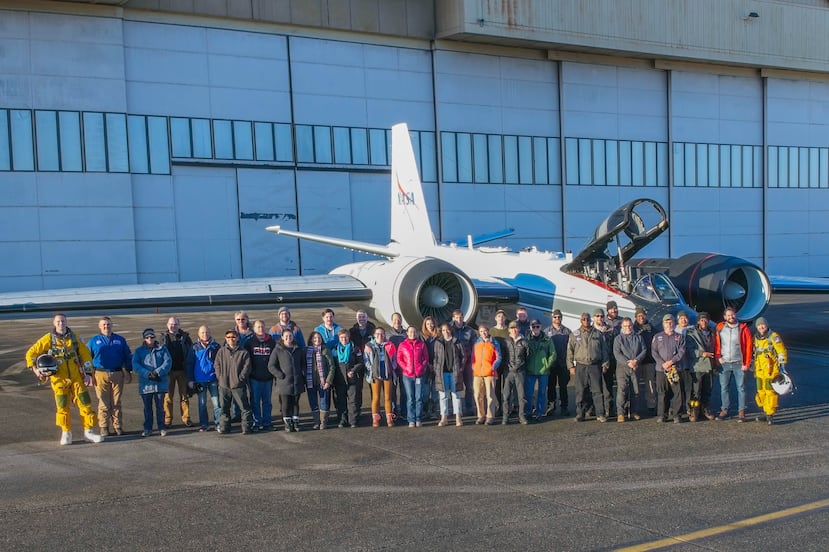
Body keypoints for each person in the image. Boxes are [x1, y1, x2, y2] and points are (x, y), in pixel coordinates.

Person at [26, 313, 103, 445]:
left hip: (76, 378)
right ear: (54, 323)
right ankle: (66, 432)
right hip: (59, 380)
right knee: (62, 407)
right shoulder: (48, 339)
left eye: (63, 321)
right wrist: (35, 369)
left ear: (66, 322)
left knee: (85, 404)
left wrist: (89, 373)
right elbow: (31, 353)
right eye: (58, 322)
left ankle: (88, 431)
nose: (61, 324)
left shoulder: (74, 338)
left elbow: (85, 355)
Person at [87, 316, 132, 437]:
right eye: (104, 325)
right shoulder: (93, 341)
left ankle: (118, 427)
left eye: (108, 324)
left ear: (112, 325)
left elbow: (127, 356)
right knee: (103, 402)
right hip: (100, 374)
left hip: (117, 373)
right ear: (99, 326)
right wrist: (88, 375)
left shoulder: (120, 340)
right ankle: (104, 427)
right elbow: (86, 358)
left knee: (116, 402)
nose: (106, 326)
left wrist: (128, 371)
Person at [567, 312, 609, 422]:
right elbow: (570, 352)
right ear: (581, 320)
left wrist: (605, 364)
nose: (586, 320)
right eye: (583, 319)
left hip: (595, 365)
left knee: (597, 390)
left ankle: (600, 414)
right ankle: (580, 414)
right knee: (580, 391)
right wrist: (571, 366)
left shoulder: (598, 334)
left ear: (590, 320)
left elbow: (604, 350)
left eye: (587, 319)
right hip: (581, 365)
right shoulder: (574, 334)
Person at [714, 307, 753, 422]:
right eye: (728, 315)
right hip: (724, 362)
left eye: (732, 315)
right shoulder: (720, 328)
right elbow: (716, 343)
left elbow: (749, 346)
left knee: (741, 388)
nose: (731, 317)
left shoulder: (743, 328)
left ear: (735, 315)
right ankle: (724, 409)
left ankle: (741, 411)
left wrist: (746, 363)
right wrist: (718, 357)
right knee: (723, 388)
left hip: (738, 363)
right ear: (725, 317)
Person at [132, 328, 172, 437]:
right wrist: (147, 374)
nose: (150, 339)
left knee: (160, 407)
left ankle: (162, 427)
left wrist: (157, 372)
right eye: (147, 337)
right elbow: (135, 365)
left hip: (160, 384)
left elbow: (168, 362)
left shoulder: (162, 349)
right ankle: (148, 428)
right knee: (147, 408)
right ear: (144, 338)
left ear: (155, 337)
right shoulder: (139, 351)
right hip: (146, 385)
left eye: (152, 337)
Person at [213, 329, 253, 434]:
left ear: (237, 338)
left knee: (244, 408)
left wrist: (240, 379)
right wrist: (220, 377)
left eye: (233, 337)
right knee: (224, 408)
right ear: (226, 339)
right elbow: (217, 365)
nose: (231, 339)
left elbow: (247, 367)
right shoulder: (221, 351)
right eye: (229, 337)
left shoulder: (243, 352)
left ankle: (246, 427)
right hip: (224, 385)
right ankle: (224, 427)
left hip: (238, 385)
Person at [268, 330, 307, 431]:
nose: (288, 337)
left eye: (290, 336)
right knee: (285, 404)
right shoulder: (278, 350)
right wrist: (280, 375)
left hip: (297, 381)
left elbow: (303, 363)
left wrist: (303, 374)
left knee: (295, 403)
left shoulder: (298, 349)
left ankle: (295, 422)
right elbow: (271, 366)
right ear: (282, 337)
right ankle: (287, 423)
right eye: (286, 336)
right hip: (284, 382)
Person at [752, 317, 788, 425]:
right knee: (761, 392)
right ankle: (765, 411)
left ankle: (770, 414)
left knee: (770, 392)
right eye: (759, 325)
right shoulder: (756, 338)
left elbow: (781, 351)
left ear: (766, 325)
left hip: (771, 370)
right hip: (759, 370)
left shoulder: (774, 337)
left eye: (763, 325)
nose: (761, 327)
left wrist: (782, 366)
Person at [651, 314, 686, 423]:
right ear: (663, 324)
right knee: (662, 392)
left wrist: (671, 362)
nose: (669, 324)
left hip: (675, 369)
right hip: (661, 369)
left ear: (674, 323)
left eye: (670, 322)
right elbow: (654, 352)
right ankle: (662, 415)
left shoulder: (679, 337)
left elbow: (681, 352)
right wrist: (663, 364)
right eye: (666, 322)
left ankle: (677, 415)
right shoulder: (657, 337)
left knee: (677, 392)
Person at [186, 325, 221, 432]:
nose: (205, 335)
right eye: (202, 333)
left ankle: (218, 423)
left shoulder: (216, 346)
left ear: (210, 333)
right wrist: (191, 379)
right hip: (200, 380)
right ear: (198, 334)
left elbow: (220, 363)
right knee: (202, 403)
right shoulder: (194, 347)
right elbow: (189, 364)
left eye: (206, 332)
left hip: (213, 379)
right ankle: (204, 424)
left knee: (217, 403)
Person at [161, 316, 194, 428]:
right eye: (171, 324)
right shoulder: (163, 338)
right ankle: (167, 419)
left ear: (178, 325)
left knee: (184, 396)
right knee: (168, 397)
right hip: (168, 372)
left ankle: (186, 418)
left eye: (175, 324)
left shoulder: (185, 337)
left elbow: (191, 352)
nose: (173, 326)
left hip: (182, 371)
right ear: (167, 325)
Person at [612, 317, 646, 422]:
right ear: (622, 327)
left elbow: (644, 350)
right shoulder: (618, 339)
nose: (628, 328)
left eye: (630, 325)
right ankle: (621, 413)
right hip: (622, 367)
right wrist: (628, 362)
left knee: (635, 390)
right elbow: (617, 353)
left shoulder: (639, 337)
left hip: (636, 366)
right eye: (625, 326)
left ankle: (634, 412)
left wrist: (636, 361)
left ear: (632, 326)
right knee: (622, 390)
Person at [245, 320, 277, 430]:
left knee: (267, 401)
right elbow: (246, 360)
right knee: (255, 401)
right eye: (258, 327)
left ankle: (267, 422)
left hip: (268, 377)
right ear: (254, 329)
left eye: (262, 327)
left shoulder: (272, 342)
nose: (260, 329)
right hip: (254, 378)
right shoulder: (249, 343)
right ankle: (257, 422)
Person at [432, 323, 465, 427]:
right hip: (442, 373)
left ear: (450, 330)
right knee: (443, 396)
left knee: (456, 395)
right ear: (441, 332)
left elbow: (463, 356)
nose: (445, 332)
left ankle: (458, 417)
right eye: (443, 330)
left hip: (454, 372)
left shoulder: (457, 341)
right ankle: (444, 417)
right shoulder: (438, 342)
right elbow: (436, 357)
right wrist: (436, 369)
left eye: (447, 330)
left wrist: (461, 368)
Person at [685, 312, 716, 421]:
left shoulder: (713, 332)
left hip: (710, 365)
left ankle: (705, 409)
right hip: (697, 365)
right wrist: (701, 353)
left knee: (708, 389)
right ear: (698, 321)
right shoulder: (691, 333)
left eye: (706, 320)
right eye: (702, 320)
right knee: (696, 391)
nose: (704, 322)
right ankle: (694, 410)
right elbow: (688, 349)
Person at [363, 327, 397, 428]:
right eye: (377, 334)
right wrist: (372, 369)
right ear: (374, 335)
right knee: (376, 397)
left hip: (387, 374)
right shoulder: (369, 346)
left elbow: (394, 358)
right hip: (375, 375)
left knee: (388, 397)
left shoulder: (390, 345)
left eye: (382, 334)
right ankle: (375, 419)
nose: (380, 336)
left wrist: (392, 367)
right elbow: (366, 360)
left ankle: (389, 418)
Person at [396, 326, 429, 427]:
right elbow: (399, 358)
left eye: (414, 332)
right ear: (407, 333)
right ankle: (411, 419)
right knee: (410, 398)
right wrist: (406, 368)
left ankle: (418, 418)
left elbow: (426, 358)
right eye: (410, 331)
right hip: (407, 375)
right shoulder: (403, 345)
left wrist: (421, 367)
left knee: (418, 398)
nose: (412, 333)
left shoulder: (421, 344)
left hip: (419, 375)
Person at [331, 328, 363, 428]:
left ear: (349, 337)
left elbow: (361, 362)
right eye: (341, 337)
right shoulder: (334, 350)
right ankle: (342, 420)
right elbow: (332, 365)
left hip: (352, 379)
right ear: (339, 338)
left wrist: (353, 370)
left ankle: (353, 421)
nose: (344, 339)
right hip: (339, 379)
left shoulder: (355, 348)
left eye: (346, 337)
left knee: (353, 400)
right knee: (340, 400)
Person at [525, 319, 555, 421]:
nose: (535, 329)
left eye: (537, 326)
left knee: (542, 393)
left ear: (541, 327)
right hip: (530, 370)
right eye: (533, 326)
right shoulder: (526, 340)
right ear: (530, 328)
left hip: (543, 371)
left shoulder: (547, 340)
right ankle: (528, 412)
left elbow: (553, 354)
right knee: (529, 393)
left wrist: (547, 365)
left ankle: (539, 413)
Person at [471, 324, 501, 425]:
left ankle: (490, 416)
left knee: (490, 395)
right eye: (481, 331)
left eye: (485, 331)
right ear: (479, 332)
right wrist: (473, 367)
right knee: (478, 395)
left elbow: (499, 357)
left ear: (488, 331)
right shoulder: (476, 342)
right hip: (477, 373)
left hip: (489, 372)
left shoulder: (494, 342)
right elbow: (472, 357)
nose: (483, 333)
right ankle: (481, 415)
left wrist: (493, 368)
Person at [305, 330, 335, 429]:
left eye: (319, 338)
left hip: (323, 382)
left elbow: (332, 366)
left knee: (324, 402)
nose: (317, 340)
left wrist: (328, 381)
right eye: (315, 338)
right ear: (311, 340)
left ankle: (323, 422)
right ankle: (316, 421)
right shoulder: (306, 351)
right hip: (310, 381)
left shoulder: (325, 350)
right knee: (313, 402)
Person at [502, 321, 529, 425]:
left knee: (522, 396)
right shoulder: (506, 342)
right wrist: (507, 367)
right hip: (508, 372)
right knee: (506, 395)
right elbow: (503, 356)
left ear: (519, 329)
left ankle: (521, 416)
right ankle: (505, 416)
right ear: (509, 330)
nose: (514, 330)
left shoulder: (524, 342)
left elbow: (528, 356)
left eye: (516, 328)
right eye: (512, 328)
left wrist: (522, 366)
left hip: (520, 372)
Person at [545, 309, 571, 416]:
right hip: (551, 364)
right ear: (552, 318)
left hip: (563, 363)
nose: (557, 319)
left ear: (561, 318)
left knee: (563, 386)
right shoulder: (546, 331)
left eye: (559, 317)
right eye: (555, 317)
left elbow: (571, 348)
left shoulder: (567, 331)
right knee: (551, 386)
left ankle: (564, 407)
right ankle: (551, 406)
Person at [450, 309, 477, 413]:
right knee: (453, 386)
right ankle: (455, 409)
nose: (459, 319)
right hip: (454, 362)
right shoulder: (450, 330)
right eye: (456, 317)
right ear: (453, 318)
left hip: (468, 361)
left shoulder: (470, 331)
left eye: (460, 317)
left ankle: (469, 407)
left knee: (469, 386)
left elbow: (474, 347)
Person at [634, 307, 657, 416]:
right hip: (636, 362)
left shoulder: (652, 328)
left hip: (649, 360)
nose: (641, 317)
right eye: (638, 316)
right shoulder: (632, 329)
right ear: (635, 317)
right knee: (636, 385)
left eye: (642, 315)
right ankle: (636, 408)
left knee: (650, 385)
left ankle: (651, 406)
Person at [387, 312, 407, 419]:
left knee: (404, 390)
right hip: (392, 367)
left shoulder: (406, 334)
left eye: (399, 319)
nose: (397, 321)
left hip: (404, 367)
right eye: (395, 319)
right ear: (392, 321)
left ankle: (404, 412)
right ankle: (394, 411)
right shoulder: (387, 334)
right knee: (392, 391)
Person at [490, 309, 510, 416]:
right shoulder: (491, 331)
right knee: (496, 386)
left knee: (506, 386)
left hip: (507, 362)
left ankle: (507, 407)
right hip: (496, 362)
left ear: (505, 318)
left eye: (502, 316)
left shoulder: (509, 331)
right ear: (495, 318)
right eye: (498, 316)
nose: (500, 318)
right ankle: (498, 407)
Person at [421, 316, 440, 420]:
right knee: (425, 391)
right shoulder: (422, 337)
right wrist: (428, 364)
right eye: (428, 324)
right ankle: (424, 411)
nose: (430, 326)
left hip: (437, 366)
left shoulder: (439, 336)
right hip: (426, 367)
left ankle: (433, 411)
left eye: (431, 323)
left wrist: (436, 365)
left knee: (435, 391)